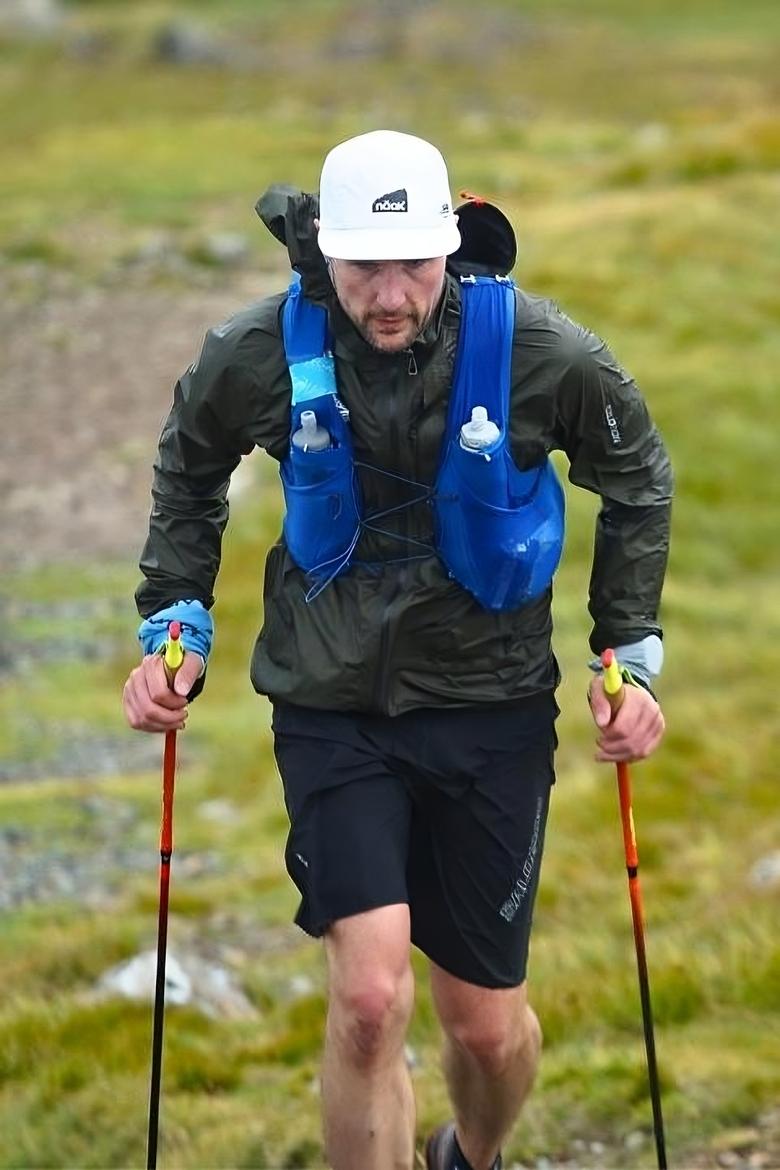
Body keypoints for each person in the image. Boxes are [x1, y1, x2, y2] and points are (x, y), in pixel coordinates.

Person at [122, 130, 672, 1170]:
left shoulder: (540, 351)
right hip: (331, 707)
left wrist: (627, 652)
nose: (388, 293)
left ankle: (471, 1150)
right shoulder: (259, 351)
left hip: (493, 705)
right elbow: (190, 465)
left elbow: (638, 473)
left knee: (484, 1027)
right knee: (370, 998)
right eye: (363, 266)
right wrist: (176, 622)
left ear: (450, 244)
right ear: (323, 251)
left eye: (412, 263)